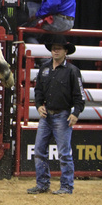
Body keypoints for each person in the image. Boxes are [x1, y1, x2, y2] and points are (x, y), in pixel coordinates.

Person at [27, 35, 85, 195]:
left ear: (66, 51)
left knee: (64, 153)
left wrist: (76, 113)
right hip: (47, 116)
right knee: (39, 151)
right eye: (54, 48)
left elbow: (80, 97)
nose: (56, 50)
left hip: (62, 115)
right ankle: (43, 184)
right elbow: (38, 90)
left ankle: (66, 186)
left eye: (59, 48)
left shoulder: (73, 71)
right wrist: (39, 106)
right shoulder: (44, 68)